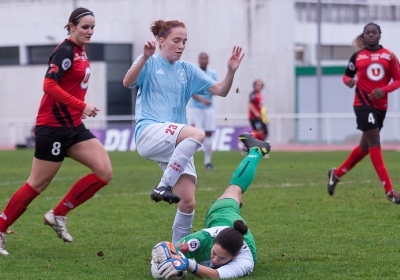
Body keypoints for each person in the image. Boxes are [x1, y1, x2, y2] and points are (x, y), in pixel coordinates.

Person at [0, 7, 113, 256]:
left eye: (93, 27)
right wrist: (81, 105)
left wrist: (78, 108)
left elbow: (70, 87)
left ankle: (58, 214)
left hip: (73, 126)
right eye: (85, 27)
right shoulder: (65, 51)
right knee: (38, 184)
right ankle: (0, 227)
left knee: (104, 172)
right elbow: (48, 85)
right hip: (52, 128)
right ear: (71, 26)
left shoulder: (81, 52)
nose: (90, 31)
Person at [122, 20, 244, 244]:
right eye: (176, 40)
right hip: (149, 131)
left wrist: (230, 71)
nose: (181, 45)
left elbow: (221, 90)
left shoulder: (187, 70)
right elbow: (128, 81)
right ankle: (163, 185)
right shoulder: (149, 63)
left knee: (187, 202)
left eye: (184, 41)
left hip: (175, 140)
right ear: (161, 41)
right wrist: (145, 56)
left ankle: (179, 253)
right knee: (197, 134)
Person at [150, 132, 270, 279]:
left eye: (221, 259)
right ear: (213, 242)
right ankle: (256, 152)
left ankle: (255, 154)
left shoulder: (246, 261)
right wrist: (170, 254)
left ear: (236, 254)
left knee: (234, 193)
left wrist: (187, 264)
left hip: (238, 236)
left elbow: (214, 275)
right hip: (222, 217)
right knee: (233, 192)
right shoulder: (202, 239)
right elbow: (177, 249)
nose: (215, 259)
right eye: (214, 253)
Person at [326, 22, 400, 204]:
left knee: (364, 148)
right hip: (362, 104)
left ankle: (336, 174)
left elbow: (397, 80)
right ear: (364, 36)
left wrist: (384, 90)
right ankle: (389, 190)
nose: (371, 35)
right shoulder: (357, 56)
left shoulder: (389, 56)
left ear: (380, 35)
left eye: (374, 32)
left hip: (380, 106)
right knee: (375, 142)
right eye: (368, 33)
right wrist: (348, 82)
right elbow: (346, 76)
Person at [187, 52, 218, 170]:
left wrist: (212, 92)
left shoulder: (212, 74)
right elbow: (191, 90)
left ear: (208, 60)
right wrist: (202, 100)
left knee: (209, 133)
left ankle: (207, 162)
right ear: (199, 60)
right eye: (201, 59)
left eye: (205, 58)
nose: (203, 61)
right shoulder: (194, 72)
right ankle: (188, 162)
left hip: (209, 108)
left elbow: (216, 89)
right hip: (195, 108)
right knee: (193, 135)